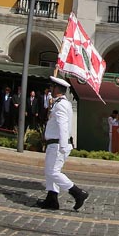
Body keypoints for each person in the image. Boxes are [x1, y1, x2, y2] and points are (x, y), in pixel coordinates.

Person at [36, 76, 88, 211]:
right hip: (55, 144)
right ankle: (51, 200)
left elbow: (63, 126)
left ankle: (78, 193)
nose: (50, 90)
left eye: (52, 87)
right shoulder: (59, 103)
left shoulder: (61, 105)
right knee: (50, 171)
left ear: (56, 88)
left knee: (53, 172)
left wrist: (63, 146)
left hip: (58, 144)